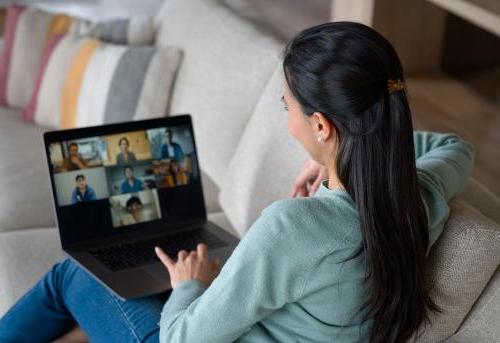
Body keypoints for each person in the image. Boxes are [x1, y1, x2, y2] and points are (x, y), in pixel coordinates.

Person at [0, 22, 475, 343]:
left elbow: (180, 339)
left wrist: (190, 284)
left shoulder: (294, 228)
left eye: (286, 106)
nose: (285, 116)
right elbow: (456, 146)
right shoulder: (420, 196)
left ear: (323, 126)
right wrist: (351, 157)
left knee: (74, 273)